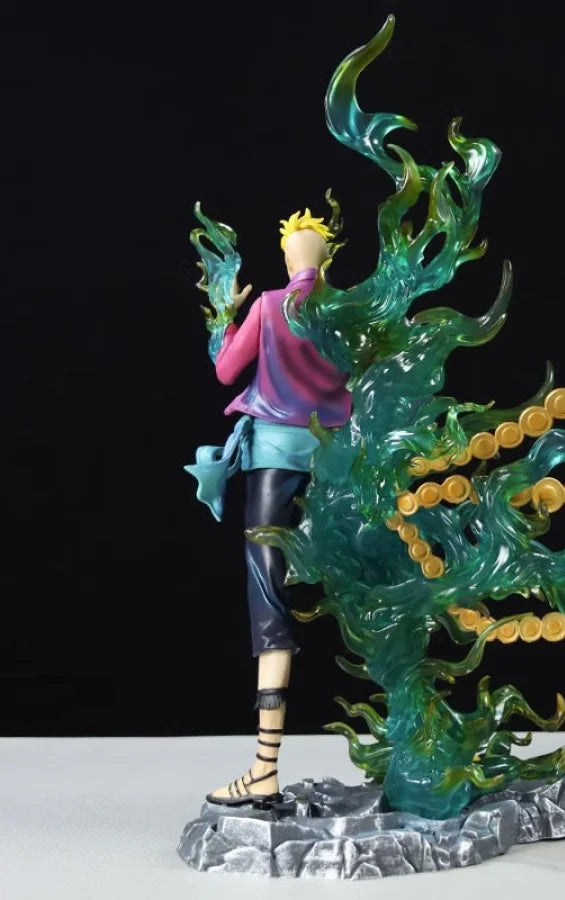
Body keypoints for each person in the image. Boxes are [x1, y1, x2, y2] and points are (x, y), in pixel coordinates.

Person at [185, 207, 352, 807]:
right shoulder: (347, 313)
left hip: (275, 458)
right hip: (337, 461)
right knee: (361, 584)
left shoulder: (269, 306)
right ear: (327, 262)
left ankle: (264, 766)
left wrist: (224, 316)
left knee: (268, 592)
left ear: (286, 260)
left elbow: (226, 369)